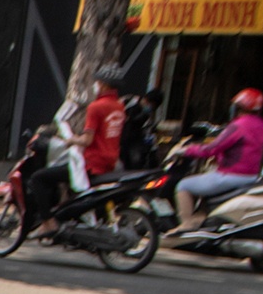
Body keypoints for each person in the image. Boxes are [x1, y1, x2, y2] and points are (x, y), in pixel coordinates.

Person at [26, 71, 123, 232]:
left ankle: (48, 223)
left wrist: (72, 140)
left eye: (97, 82)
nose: (95, 85)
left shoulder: (96, 107)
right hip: (110, 162)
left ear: (104, 85)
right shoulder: (119, 107)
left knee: (38, 178)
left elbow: (87, 140)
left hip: (91, 163)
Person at [174, 87, 263, 231]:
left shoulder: (237, 125)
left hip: (231, 175)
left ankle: (187, 223)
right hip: (251, 177)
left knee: (183, 185)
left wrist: (186, 150)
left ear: (239, 107)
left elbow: (212, 148)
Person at [121, 88, 163, 170]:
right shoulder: (129, 101)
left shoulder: (146, 115)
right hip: (120, 142)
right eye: (149, 103)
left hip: (133, 144)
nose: (149, 107)